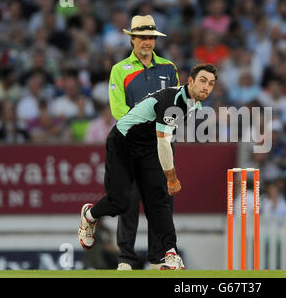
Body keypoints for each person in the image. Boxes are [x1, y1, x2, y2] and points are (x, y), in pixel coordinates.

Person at [78, 63, 217, 270]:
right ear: (190, 81)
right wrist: (171, 177)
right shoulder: (175, 101)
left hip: (148, 147)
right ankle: (89, 215)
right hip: (123, 142)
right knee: (121, 203)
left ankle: (171, 253)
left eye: (211, 84)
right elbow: (164, 141)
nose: (207, 87)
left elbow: (162, 137)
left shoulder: (194, 103)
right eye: (203, 81)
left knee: (159, 200)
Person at [108, 14, 180, 270]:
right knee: (128, 200)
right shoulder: (120, 70)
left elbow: (176, 106)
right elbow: (119, 111)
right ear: (132, 40)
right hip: (131, 145)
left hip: (161, 144)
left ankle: (158, 257)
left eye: (150, 37)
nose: (146, 42)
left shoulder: (169, 68)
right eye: (141, 37)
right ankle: (126, 258)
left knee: (159, 200)